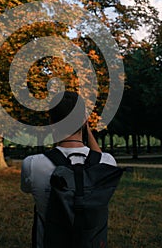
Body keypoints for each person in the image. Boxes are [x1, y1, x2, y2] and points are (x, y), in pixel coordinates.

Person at [21, 91, 117, 248]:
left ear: (51, 122)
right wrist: (85, 126)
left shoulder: (32, 164)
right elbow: (98, 163)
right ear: (84, 120)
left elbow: (25, 189)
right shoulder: (107, 163)